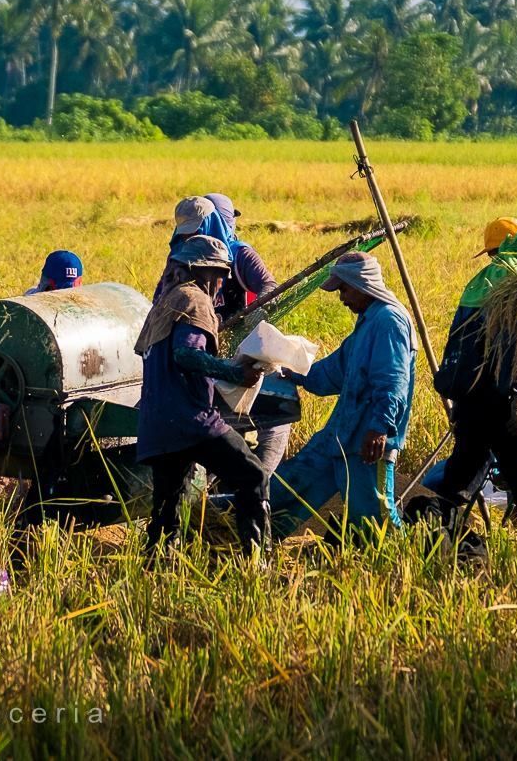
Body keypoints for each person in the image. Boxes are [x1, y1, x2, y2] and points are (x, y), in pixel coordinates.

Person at [134, 234, 271, 557]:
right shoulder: (193, 300)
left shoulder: (164, 302)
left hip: (157, 423)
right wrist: (235, 373)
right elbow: (185, 355)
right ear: (199, 271)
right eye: (219, 272)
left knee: (168, 511)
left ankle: (157, 571)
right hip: (190, 420)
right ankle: (257, 561)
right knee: (252, 475)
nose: (223, 281)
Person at [409, 220, 517, 528]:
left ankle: (436, 532)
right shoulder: (513, 280)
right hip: (500, 400)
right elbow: (506, 345)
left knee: (461, 478)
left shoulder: (482, 279)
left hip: (471, 399)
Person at [272, 252, 417, 538]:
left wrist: (379, 428)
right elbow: (336, 370)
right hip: (341, 436)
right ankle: (249, 537)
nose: (342, 298)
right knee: (288, 487)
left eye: (344, 289)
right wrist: (293, 371)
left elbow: (392, 382)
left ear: (363, 285)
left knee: (374, 521)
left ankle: (400, 563)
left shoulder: (389, 322)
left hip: (367, 443)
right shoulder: (368, 321)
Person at [204, 192, 295, 472]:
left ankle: (260, 477)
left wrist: (253, 316)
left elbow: (269, 286)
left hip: (245, 350)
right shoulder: (192, 257)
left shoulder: (239, 254)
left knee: (271, 413)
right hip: (208, 354)